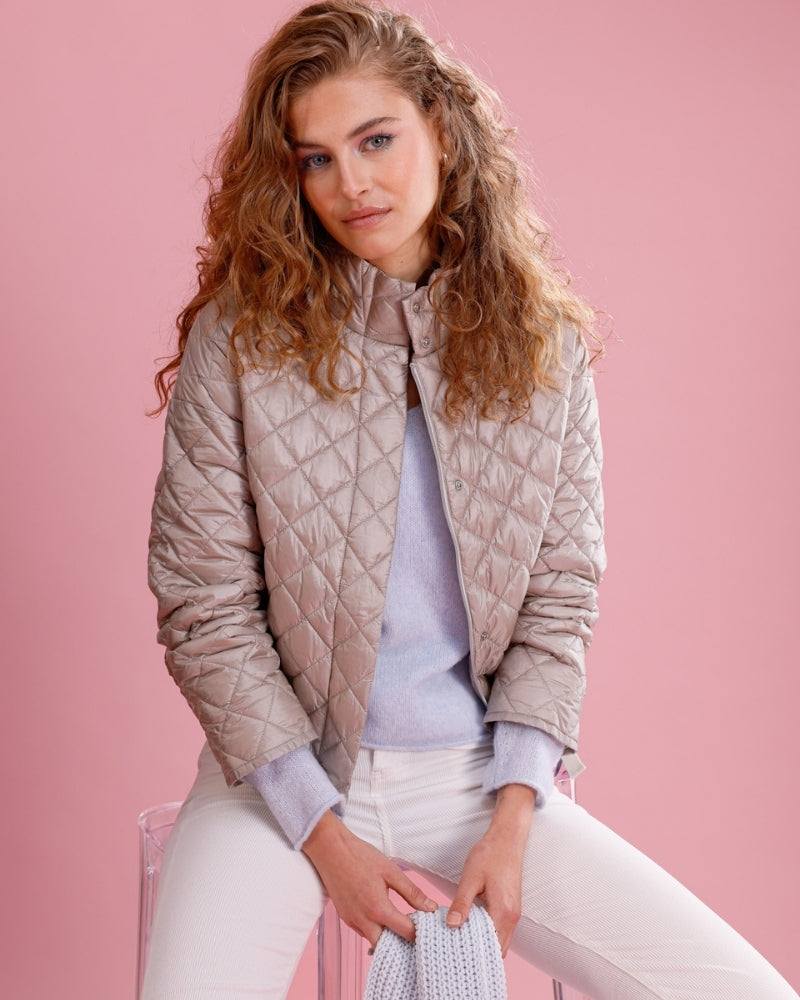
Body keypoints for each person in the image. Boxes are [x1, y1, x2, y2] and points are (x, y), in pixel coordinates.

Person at [145, 2, 798, 998]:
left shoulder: (543, 345)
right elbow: (204, 604)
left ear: (442, 130)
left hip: (476, 778)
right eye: (316, 158)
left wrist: (516, 806)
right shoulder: (240, 340)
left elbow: (559, 594)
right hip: (279, 781)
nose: (350, 183)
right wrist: (322, 833)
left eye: (375, 140)